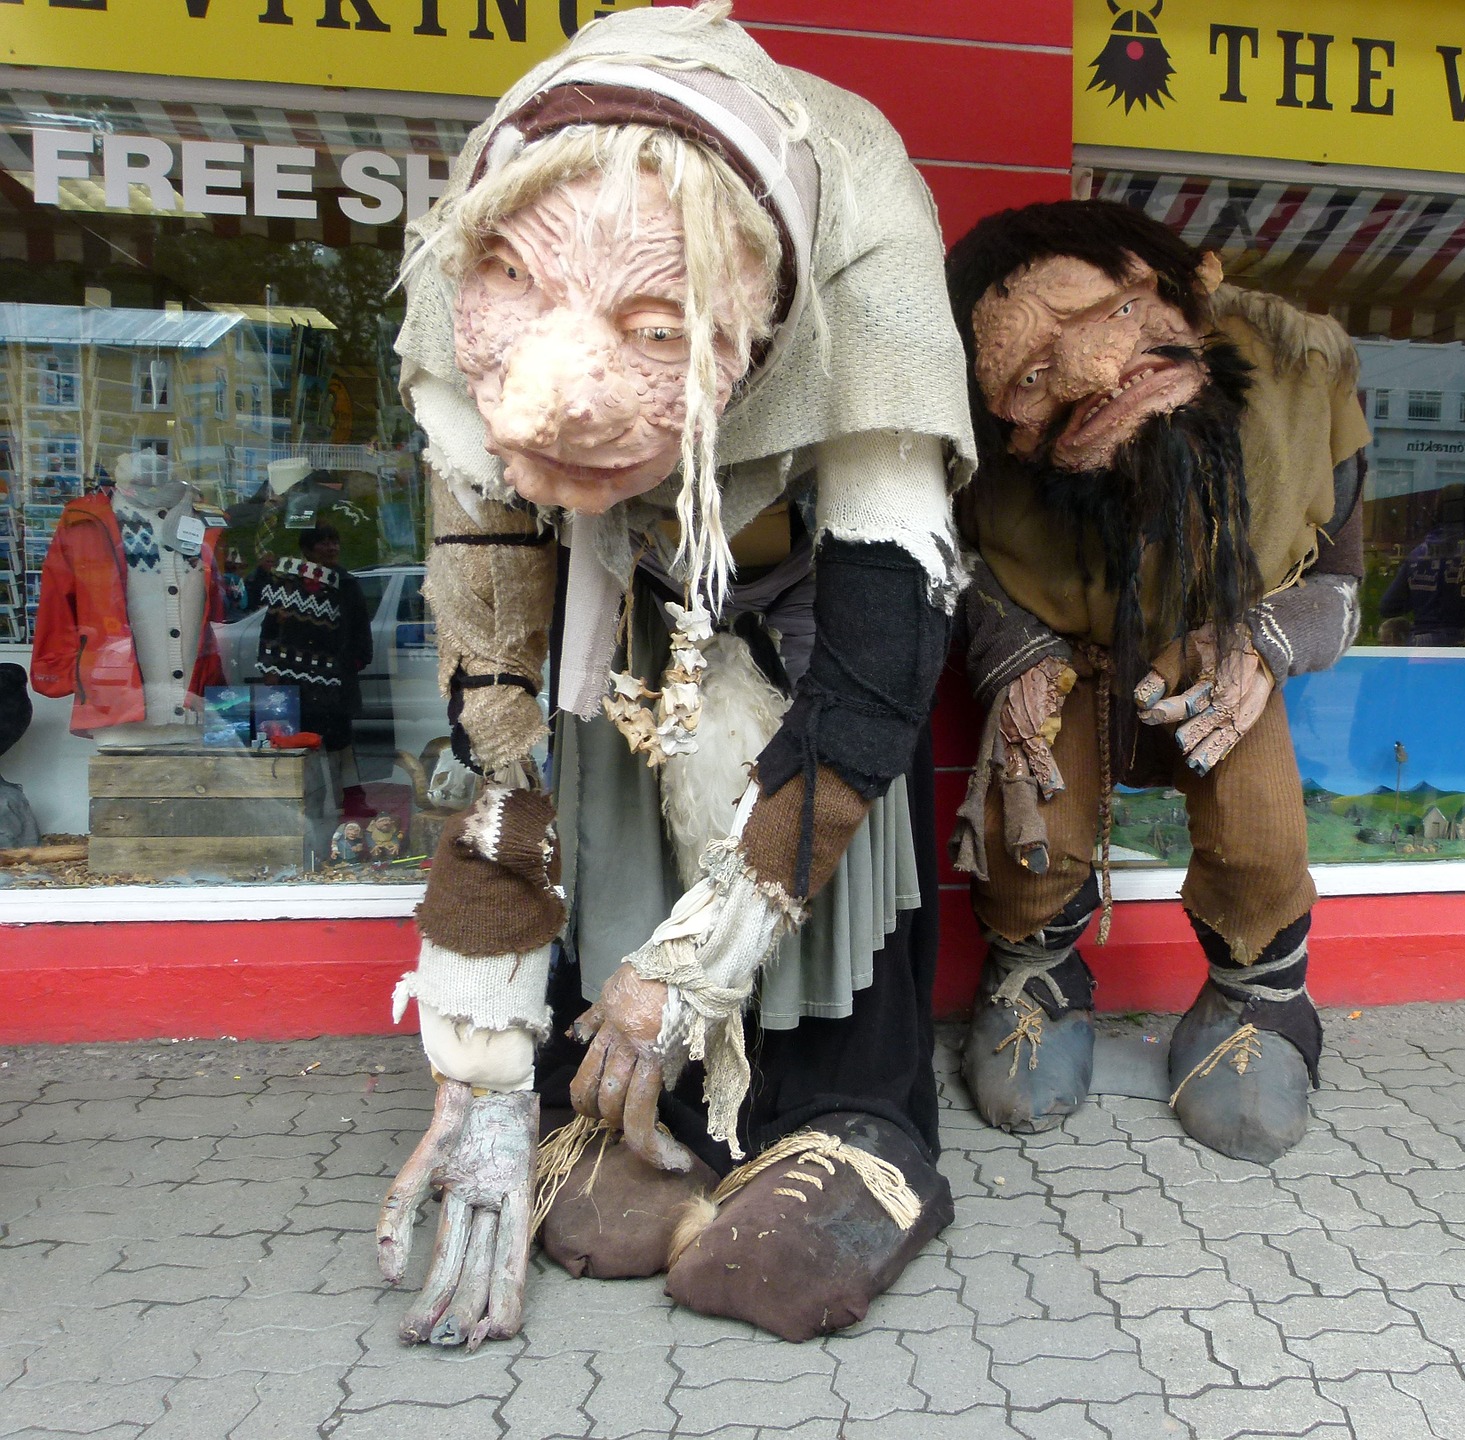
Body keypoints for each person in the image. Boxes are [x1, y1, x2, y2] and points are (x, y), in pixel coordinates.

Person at [377, 2, 973, 1348]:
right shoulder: (472, 247)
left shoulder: (861, 234)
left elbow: (881, 670)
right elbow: (494, 722)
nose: (572, 403)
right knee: (591, 1194)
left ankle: (845, 1117)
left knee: (819, 850)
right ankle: (624, 1102)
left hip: (811, 610)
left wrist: (691, 970)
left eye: (655, 327)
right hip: (625, 613)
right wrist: (481, 1071)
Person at [946, 200, 1368, 1163]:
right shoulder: (978, 449)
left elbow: (1343, 588)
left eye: (1119, 318)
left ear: (1188, 291)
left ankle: (1261, 996)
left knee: (1260, 832)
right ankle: (1035, 981)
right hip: (1066, 657)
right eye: (1038, 372)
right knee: (1034, 832)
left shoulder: (1305, 380)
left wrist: (1263, 639)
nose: (1095, 374)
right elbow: (944, 558)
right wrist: (1009, 647)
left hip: (1221, 658)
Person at [255, 522, 373, 757]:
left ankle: (340, 793)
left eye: (334, 542)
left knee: (337, 745)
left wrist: (350, 666)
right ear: (307, 550)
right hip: (294, 683)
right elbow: (270, 632)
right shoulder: (287, 586)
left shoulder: (346, 585)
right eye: (324, 543)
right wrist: (271, 670)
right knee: (296, 744)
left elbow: (360, 631)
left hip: (334, 684)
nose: (332, 548)